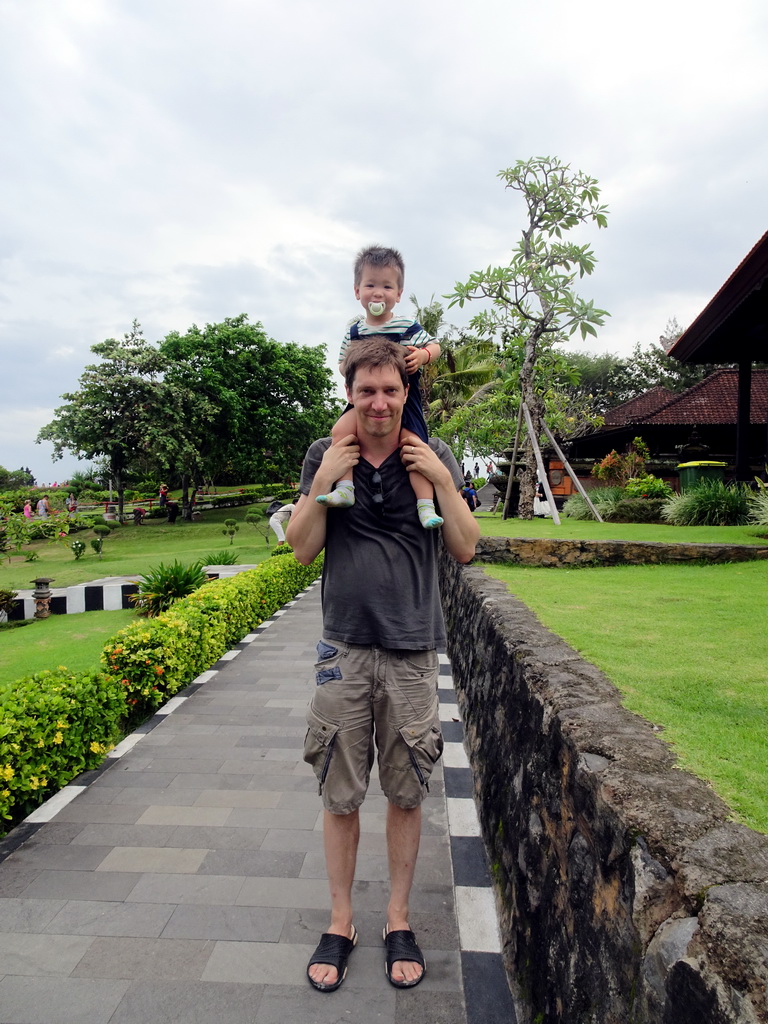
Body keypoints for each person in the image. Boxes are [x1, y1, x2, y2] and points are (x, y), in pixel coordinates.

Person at [286, 337, 479, 993]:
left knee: (404, 792)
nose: (378, 402)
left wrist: (446, 481)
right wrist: (319, 484)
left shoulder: (432, 455)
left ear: (406, 393)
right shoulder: (326, 455)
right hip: (343, 650)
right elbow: (301, 550)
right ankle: (342, 920)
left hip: (412, 651)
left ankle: (398, 917)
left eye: (390, 390)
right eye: (365, 390)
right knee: (340, 794)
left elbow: (467, 547)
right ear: (349, 393)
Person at [316, 246, 444, 530]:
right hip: (365, 396)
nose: (378, 293)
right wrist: (357, 373)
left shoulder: (406, 325)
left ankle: (425, 505)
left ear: (398, 294)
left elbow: (434, 346)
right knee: (339, 432)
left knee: (413, 447)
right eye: (370, 284)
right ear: (357, 291)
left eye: (387, 286)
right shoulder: (355, 332)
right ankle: (345, 488)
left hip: (402, 400)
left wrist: (422, 356)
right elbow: (341, 364)